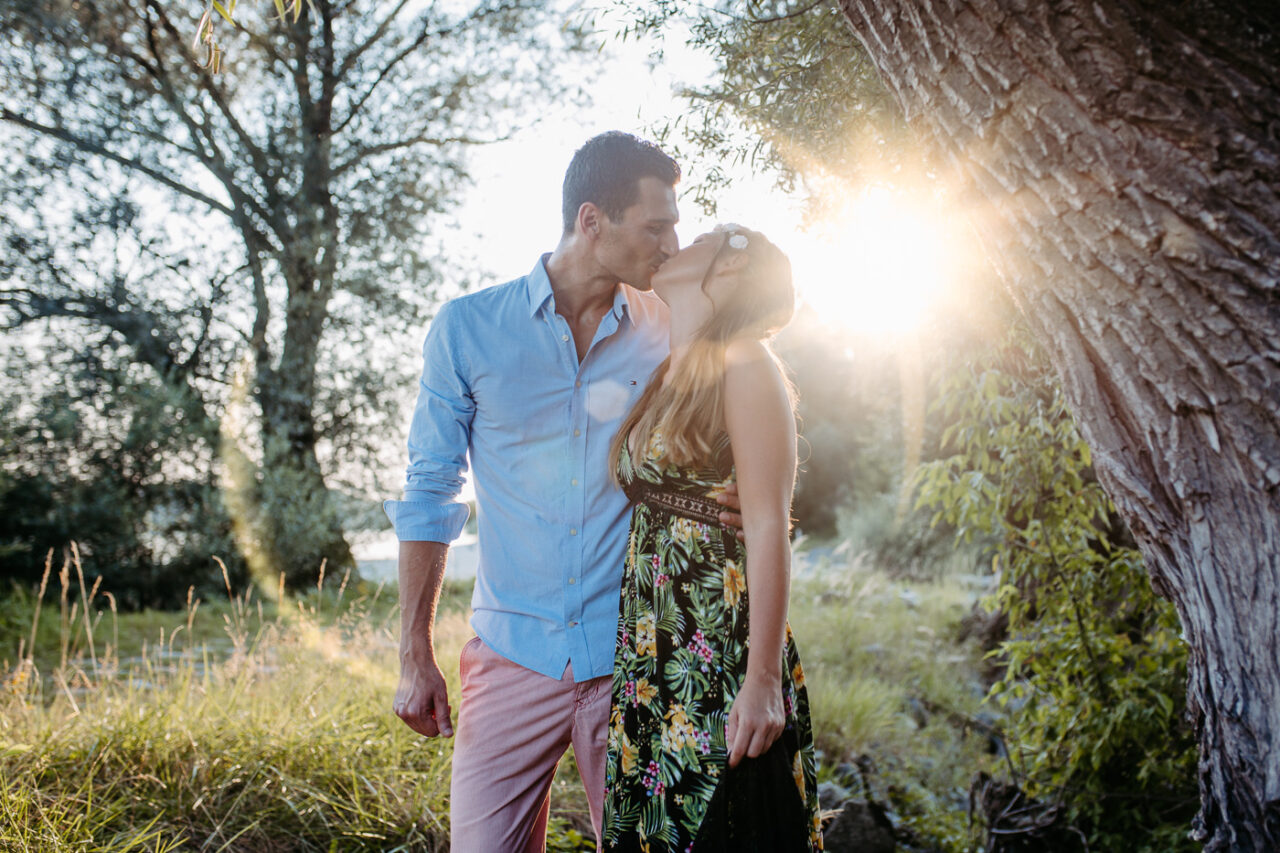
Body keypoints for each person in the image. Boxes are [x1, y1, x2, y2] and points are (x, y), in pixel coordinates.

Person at [384, 131, 742, 852]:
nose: (670, 245)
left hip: (634, 659)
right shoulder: (468, 329)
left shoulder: (670, 329)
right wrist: (413, 651)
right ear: (590, 220)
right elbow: (430, 490)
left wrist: (729, 498)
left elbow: (706, 456)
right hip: (511, 652)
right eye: (655, 226)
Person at [601, 225, 822, 851]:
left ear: (729, 270)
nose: (675, 242)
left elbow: (768, 529)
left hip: (717, 642)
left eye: (698, 236)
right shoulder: (673, 367)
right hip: (655, 645)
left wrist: (762, 682)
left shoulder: (747, 361)